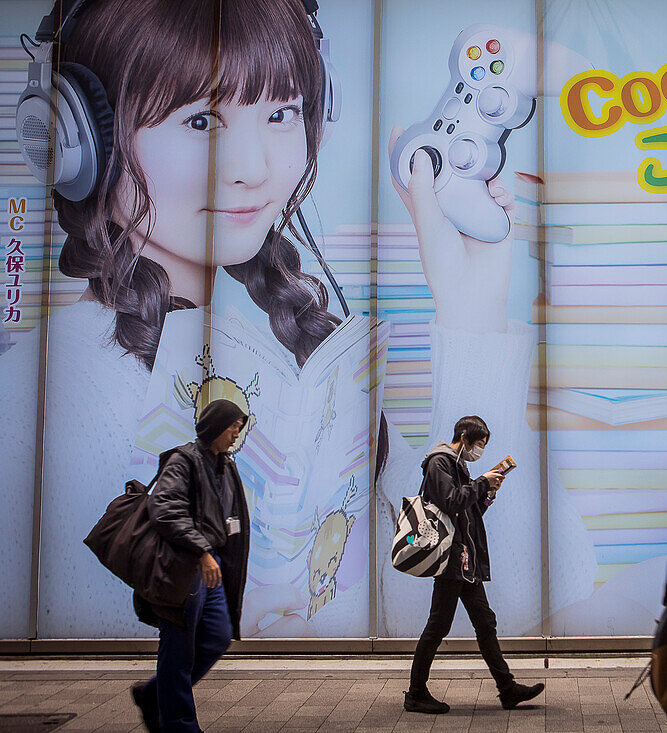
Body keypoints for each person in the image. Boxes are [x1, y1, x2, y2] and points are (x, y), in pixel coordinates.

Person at [0, 0, 596, 639]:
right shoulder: (42, 392)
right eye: (202, 121)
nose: (256, 169)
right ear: (81, 139)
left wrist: (471, 309)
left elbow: (491, 588)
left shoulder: (295, 359)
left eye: (282, 114)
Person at [404, 415, 545, 714]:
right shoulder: (439, 463)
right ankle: (415, 693)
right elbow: (452, 502)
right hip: (451, 560)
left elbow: (467, 511)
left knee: (484, 623)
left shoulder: (459, 465)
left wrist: (487, 494)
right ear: (464, 436)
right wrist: (481, 482)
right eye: (479, 444)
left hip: (464, 562)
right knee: (438, 626)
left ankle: (507, 689)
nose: (479, 451)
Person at [130, 398, 250, 733]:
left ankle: (154, 694)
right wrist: (201, 551)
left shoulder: (224, 465)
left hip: (210, 569)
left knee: (217, 636)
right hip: (183, 570)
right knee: (178, 650)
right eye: (232, 427)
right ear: (215, 427)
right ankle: (180, 725)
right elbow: (165, 509)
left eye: (239, 427)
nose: (236, 433)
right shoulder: (184, 461)